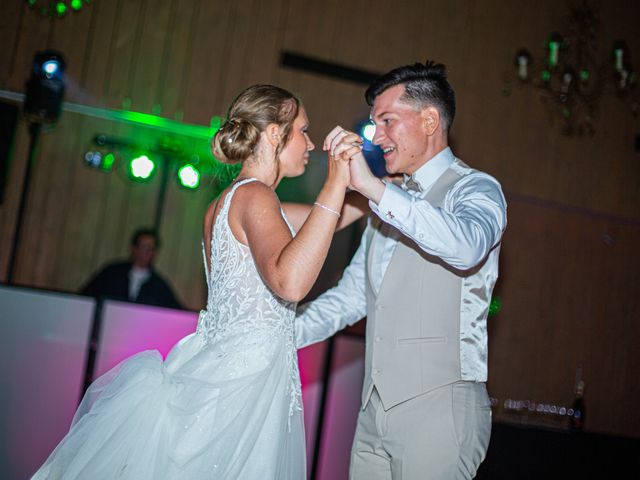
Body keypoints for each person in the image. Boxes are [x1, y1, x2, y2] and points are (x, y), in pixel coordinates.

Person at [32, 84, 364, 479]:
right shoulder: (256, 197)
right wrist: (334, 182)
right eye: (304, 131)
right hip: (241, 390)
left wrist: (381, 193)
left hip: (232, 376)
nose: (310, 143)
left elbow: (324, 221)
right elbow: (290, 283)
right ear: (275, 133)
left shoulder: (233, 199)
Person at [296, 61, 508, 479]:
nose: (376, 137)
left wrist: (373, 188)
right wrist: (279, 335)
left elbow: (466, 247)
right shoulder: (389, 202)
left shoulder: (476, 189)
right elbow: (353, 296)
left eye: (387, 121)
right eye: (374, 124)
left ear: (430, 120)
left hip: (440, 412)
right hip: (373, 412)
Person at [81, 228, 183, 309]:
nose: (148, 252)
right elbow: (85, 298)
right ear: (134, 248)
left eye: (152, 248)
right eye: (145, 247)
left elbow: (175, 311)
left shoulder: (159, 285)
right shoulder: (111, 273)